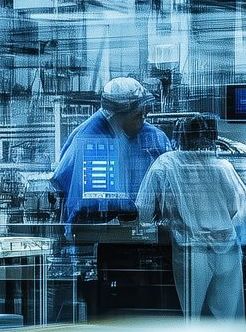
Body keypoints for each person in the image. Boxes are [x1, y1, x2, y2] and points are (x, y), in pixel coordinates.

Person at [135, 115, 246, 320]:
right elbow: (245, 213)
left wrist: (165, 219)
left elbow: (143, 211)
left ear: (179, 137)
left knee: (191, 321)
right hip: (226, 249)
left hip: (191, 251)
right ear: (213, 137)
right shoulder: (223, 166)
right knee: (229, 324)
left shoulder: (166, 164)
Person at [50, 77, 172, 226]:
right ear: (115, 115)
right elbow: (77, 194)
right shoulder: (89, 137)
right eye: (136, 115)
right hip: (96, 232)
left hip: (145, 232)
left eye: (143, 113)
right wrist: (125, 207)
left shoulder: (154, 138)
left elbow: (169, 187)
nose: (142, 119)